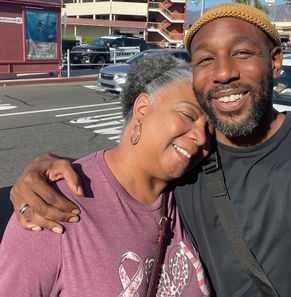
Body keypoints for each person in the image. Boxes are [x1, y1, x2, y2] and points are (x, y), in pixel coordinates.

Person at [8, 3, 291, 297]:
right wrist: (45, 170)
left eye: (242, 52)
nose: (223, 71)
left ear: (275, 61)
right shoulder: (176, 168)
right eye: (205, 59)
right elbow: (123, 173)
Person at [0, 55, 212, 296]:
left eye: (210, 129)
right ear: (142, 109)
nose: (202, 137)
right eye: (188, 115)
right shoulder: (51, 206)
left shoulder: (191, 194)